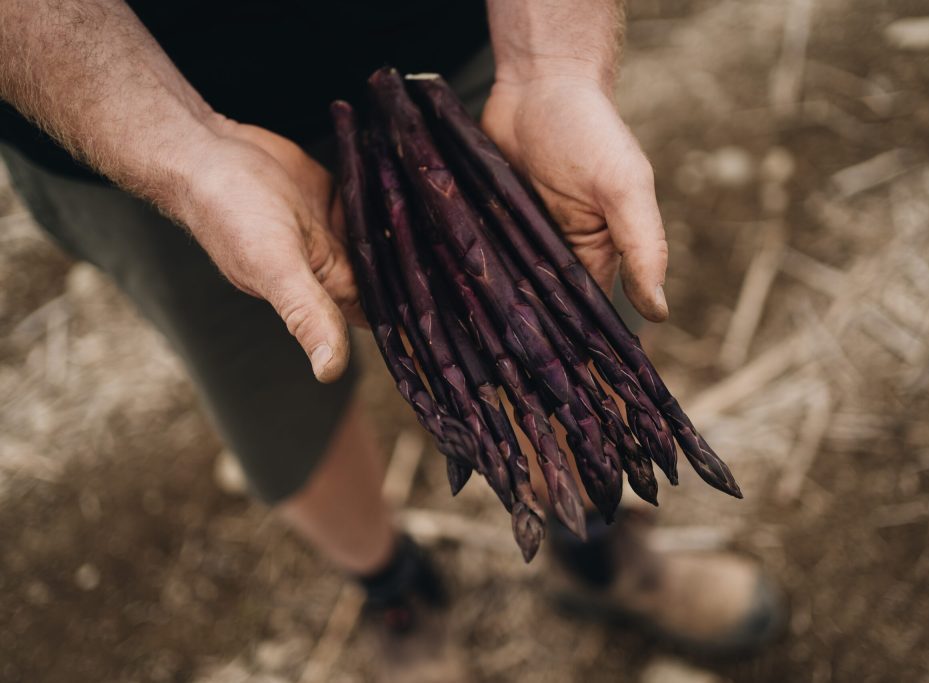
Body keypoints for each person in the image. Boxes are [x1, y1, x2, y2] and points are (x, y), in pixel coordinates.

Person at [0, 1, 786, 679]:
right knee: (273, 409)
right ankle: (395, 589)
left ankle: (599, 547)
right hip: (130, 120)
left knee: (561, 360)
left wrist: (552, 67)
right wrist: (186, 155)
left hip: (472, 52)